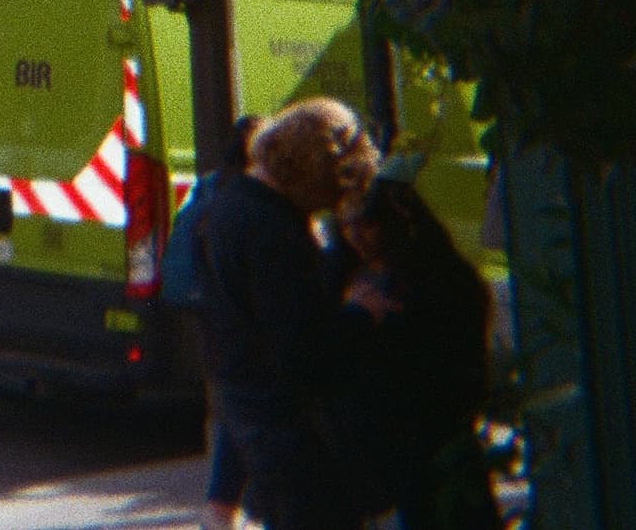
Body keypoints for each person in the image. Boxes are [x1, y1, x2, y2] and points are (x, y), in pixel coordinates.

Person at [193, 98, 384, 530]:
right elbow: (300, 343)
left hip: (248, 408)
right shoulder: (275, 232)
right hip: (290, 425)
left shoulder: (225, 207)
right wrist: (358, 314)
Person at [337, 174, 500, 530]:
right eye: (346, 225)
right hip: (380, 440)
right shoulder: (341, 275)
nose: (356, 236)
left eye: (367, 224)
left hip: (431, 431)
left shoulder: (439, 279)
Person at [163, 113, 264, 530]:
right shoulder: (249, 198)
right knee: (242, 413)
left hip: (207, 314)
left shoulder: (210, 186)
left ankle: (221, 511)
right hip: (239, 322)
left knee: (228, 410)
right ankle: (224, 510)